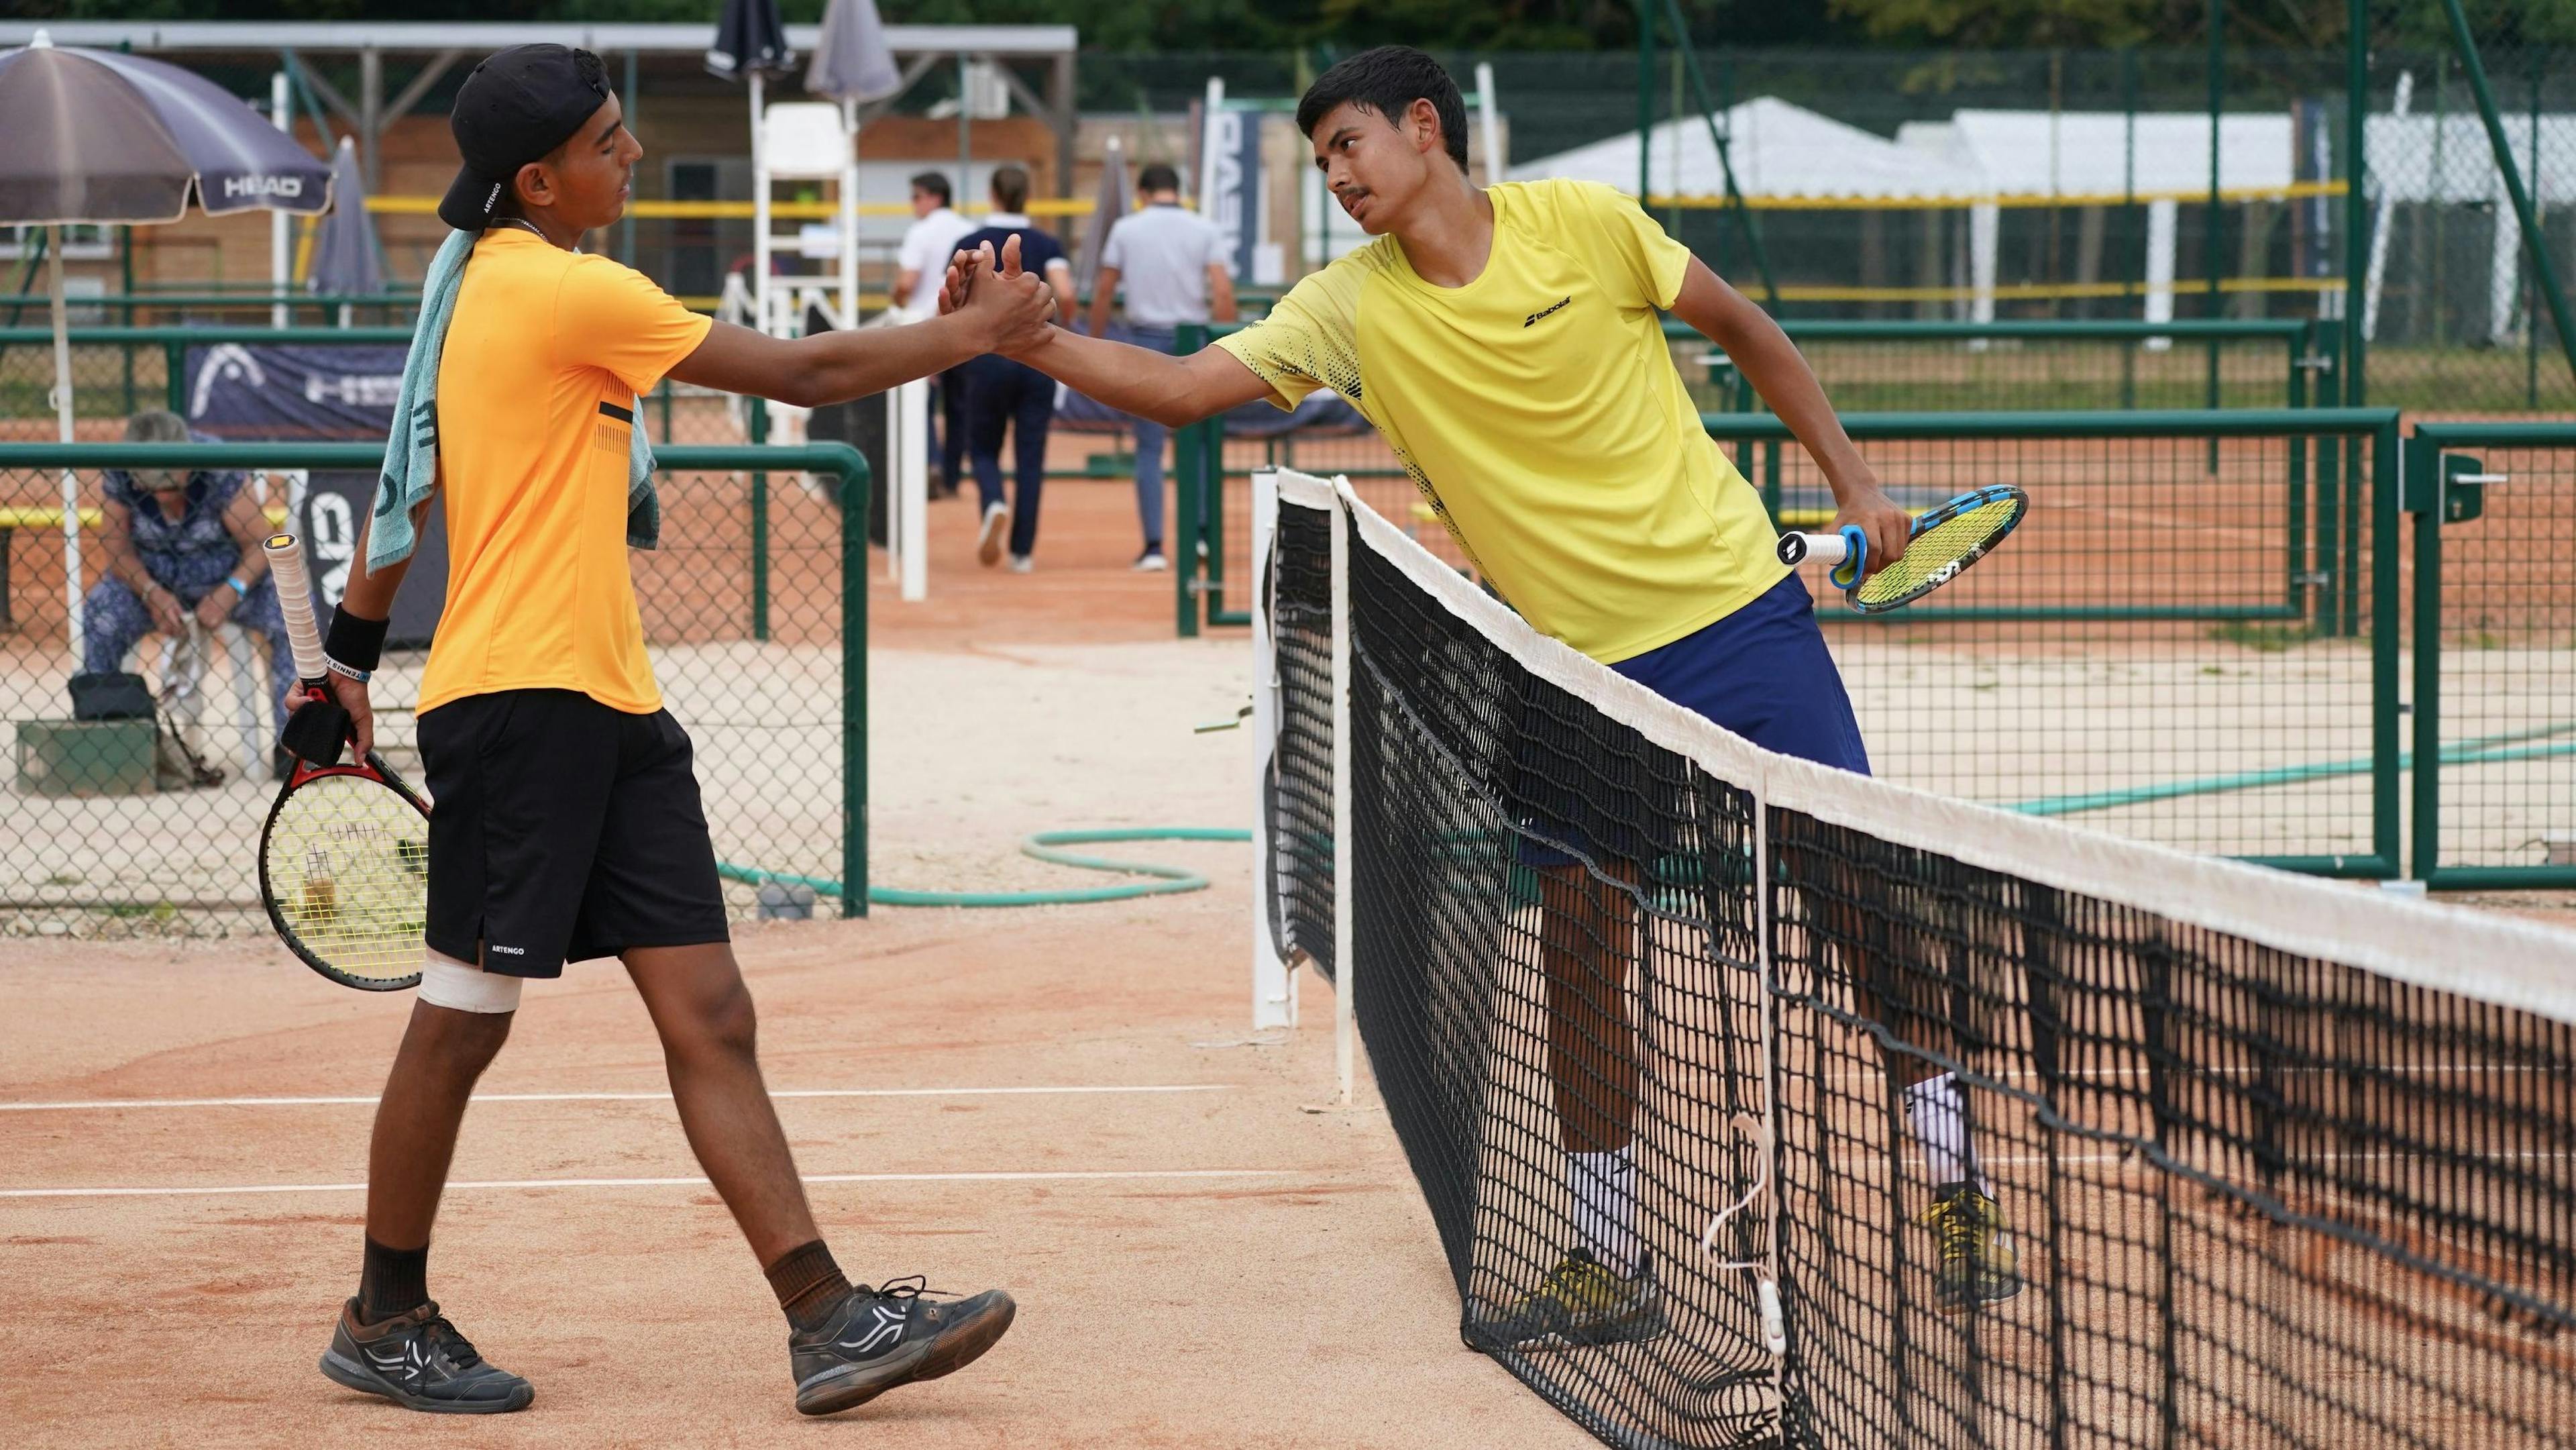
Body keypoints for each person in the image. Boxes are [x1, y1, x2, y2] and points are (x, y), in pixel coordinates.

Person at [945, 46, 2018, 1345]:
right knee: (1576, 949)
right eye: (1324, 156)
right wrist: (1041, 338)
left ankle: (1954, 1177)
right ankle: (1606, 1245)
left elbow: (1746, 329)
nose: (1337, 174)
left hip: (1741, 623)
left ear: (1424, 128)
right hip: (1568, 669)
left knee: (1858, 895)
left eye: (1350, 144)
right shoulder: (1348, 308)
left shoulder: (1585, 225)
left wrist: (1851, 486)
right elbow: (1183, 391)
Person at [295, 44, 1053, 1418]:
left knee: (712, 1009)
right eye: (608, 141)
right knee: (463, 1024)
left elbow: (412, 465)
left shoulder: (479, 281)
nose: (631, 155)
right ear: (540, 181)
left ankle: (827, 1319)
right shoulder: (554, 285)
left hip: (613, 703)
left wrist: (345, 654)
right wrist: (972, 334)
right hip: (522, 705)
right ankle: (384, 1310)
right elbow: (809, 372)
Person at [83, 409, 294, 747]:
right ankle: (109, 741)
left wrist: (231, 590)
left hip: (230, 579)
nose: (162, 493)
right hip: (153, 582)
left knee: (293, 615)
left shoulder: (217, 464)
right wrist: (151, 592)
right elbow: (118, 553)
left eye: (170, 483)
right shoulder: (121, 467)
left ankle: (295, 745)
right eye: (151, 485)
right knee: (101, 614)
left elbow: (259, 545)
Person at [1083, 163, 1236, 572]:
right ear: (1177, 188)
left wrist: (1095, 341)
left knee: (1149, 449)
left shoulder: (1127, 230)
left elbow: (1103, 290)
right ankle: (1203, 536)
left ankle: (1153, 546)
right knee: (1202, 445)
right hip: (1196, 339)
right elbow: (1222, 289)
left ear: (1143, 192)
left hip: (1145, 340)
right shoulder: (1204, 229)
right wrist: (1228, 342)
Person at [952, 165, 1074, 572]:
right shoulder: (1046, 242)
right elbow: (1068, 292)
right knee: (1031, 455)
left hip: (987, 359)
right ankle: (1023, 552)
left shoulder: (970, 241)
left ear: (992, 193)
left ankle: (993, 501)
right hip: (1038, 357)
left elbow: (953, 299)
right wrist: (1061, 330)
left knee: (983, 447)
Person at [894, 172, 976, 497]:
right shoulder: (969, 230)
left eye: (917, 197)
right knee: (958, 406)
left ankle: (930, 464)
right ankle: (953, 477)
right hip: (962, 326)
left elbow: (906, 283)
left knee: (921, 405)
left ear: (935, 197)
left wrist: (896, 303)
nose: (913, 204)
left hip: (924, 328)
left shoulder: (920, 232)